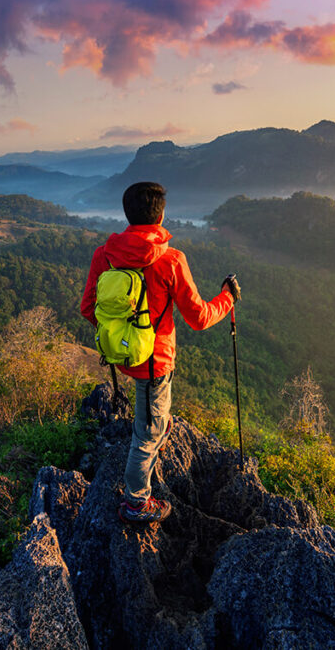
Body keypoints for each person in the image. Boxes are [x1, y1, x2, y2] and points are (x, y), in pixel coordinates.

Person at [80, 182, 240, 524]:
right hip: (156, 362)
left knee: (153, 416)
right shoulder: (171, 260)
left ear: (127, 214)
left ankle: (158, 427)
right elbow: (198, 318)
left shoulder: (104, 255)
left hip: (123, 355)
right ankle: (136, 503)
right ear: (161, 216)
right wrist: (227, 298)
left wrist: (121, 336)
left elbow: (88, 308)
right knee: (146, 435)